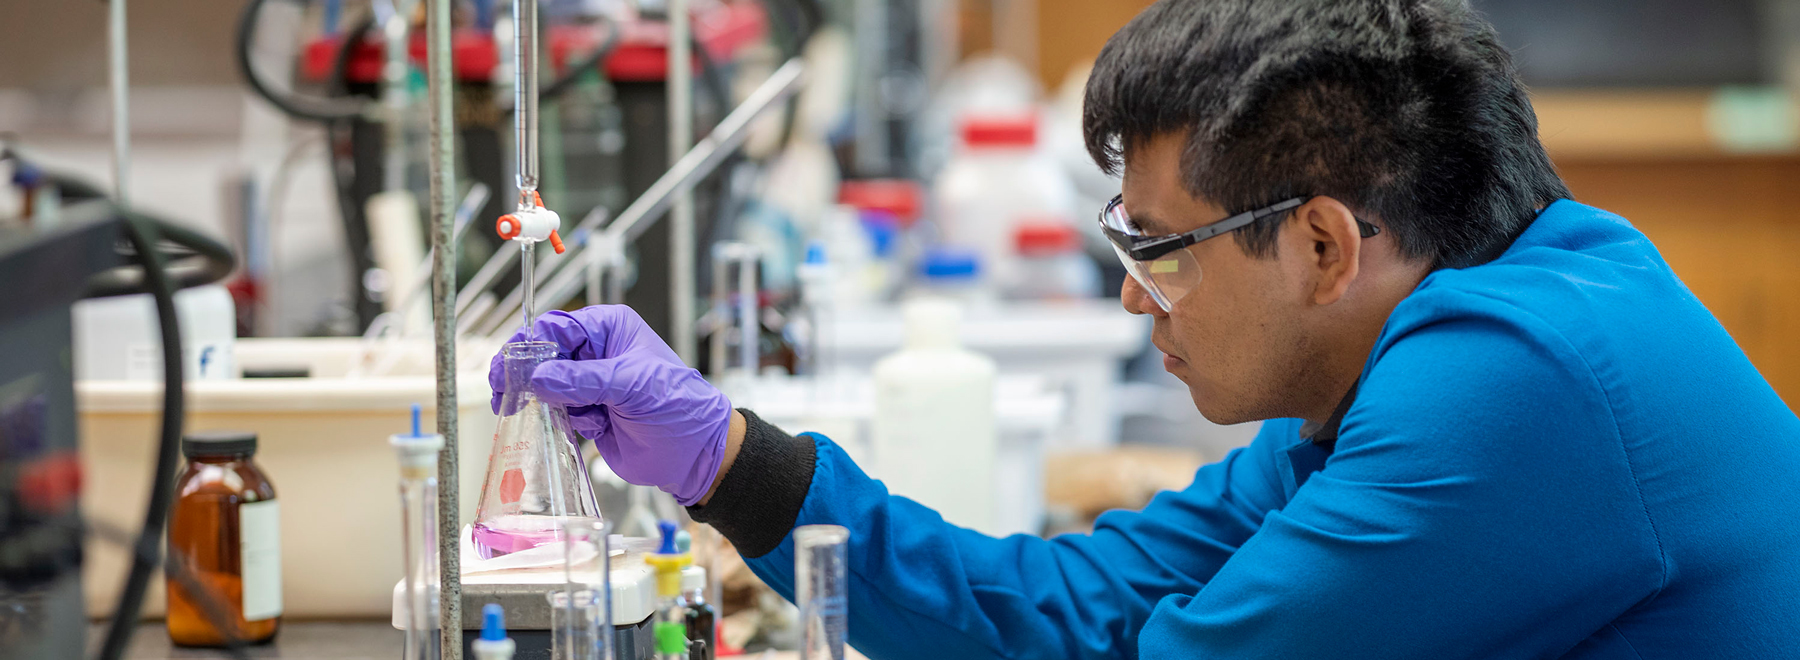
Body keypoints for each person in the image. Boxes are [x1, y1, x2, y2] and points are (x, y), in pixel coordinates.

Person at [493, 0, 1800, 657]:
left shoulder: (1517, 389)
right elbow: (1095, 605)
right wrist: (733, 459)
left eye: (1153, 248)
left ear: (1325, 243)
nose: (1131, 297)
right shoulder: (1437, 339)